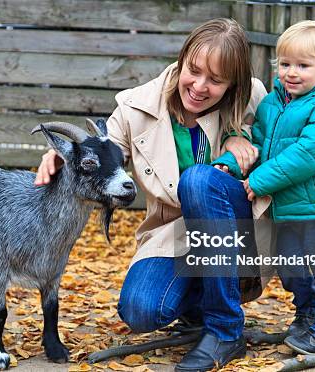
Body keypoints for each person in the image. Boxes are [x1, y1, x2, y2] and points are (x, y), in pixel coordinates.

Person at [35, 19, 268, 370]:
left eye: (216, 81)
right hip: (175, 235)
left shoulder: (253, 97)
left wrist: (245, 138)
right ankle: (200, 307)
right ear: (182, 58)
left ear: (232, 84)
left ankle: (224, 329)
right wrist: (62, 155)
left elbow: (284, 149)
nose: (200, 86)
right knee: (142, 310)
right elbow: (101, 151)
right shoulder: (134, 108)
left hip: (235, 234)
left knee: (198, 181)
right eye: (194, 70)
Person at [235, 20, 315, 354]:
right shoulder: (273, 104)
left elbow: (307, 155)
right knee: (289, 265)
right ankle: (306, 315)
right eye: (285, 64)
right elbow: (256, 141)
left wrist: (259, 181)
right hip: (289, 207)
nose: (291, 72)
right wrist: (234, 162)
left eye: (303, 66)